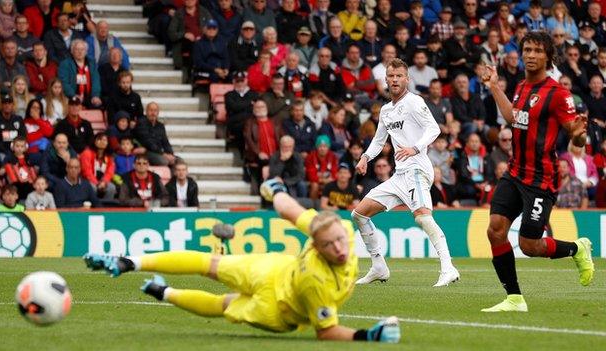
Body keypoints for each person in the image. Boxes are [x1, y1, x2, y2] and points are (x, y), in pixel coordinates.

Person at [84, 181, 400, 342]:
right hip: (277, 278)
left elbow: (325, 332)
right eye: (330, 245)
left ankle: (163, 293)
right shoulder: (317, 269)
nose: (340, 248)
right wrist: (367, 336)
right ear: (316, 247)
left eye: (340, 242)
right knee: (209, 265)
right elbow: (326, 332)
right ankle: (129, 261)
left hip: (276, 309)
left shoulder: (334, 239)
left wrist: (273, 189)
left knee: (224, 304)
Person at [480, 31, 594, 312]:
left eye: (537, 51)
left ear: (548, 56)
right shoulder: (520, 87)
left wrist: (580, 137)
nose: (530, 55)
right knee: (495, 230)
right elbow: (512, 118)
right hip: (515, 171)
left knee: (529, 245)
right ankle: (514, 299)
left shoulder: (558, 94)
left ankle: (577, 249)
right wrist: (495, 87)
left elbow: (575, 134)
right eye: (527, 49)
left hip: (541, 180)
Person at [352, 58, 460, 286]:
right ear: (386, 79)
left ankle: (448, 268)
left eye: (399, 76)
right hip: (399, 175)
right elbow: (379, 140)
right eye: (391, 76)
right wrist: (365, 157)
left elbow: (433, 128)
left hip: (417, 168)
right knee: (359, 214)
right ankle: (379, 266)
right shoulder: (386, 110)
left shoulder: (414, 102)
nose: (394, 80)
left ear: (407, 79)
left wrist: (415, 148)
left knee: (422, 217)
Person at [57, 39, 102, 109]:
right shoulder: (65, 64)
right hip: (71, 97)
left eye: (82, 49)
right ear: (72, 51)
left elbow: (96, 81)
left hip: (90, 98)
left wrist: (95, 95)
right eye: (77, 49)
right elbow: (63, 82)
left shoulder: (92, 63)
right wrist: (73, 95)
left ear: (86, 51)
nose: (80, 52)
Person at [133, 102, 175, 166]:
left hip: (158, 152)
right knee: (164, 161)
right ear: (146, 111)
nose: (153, 113)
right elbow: (148, 143)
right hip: (146, 151)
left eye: (155, 110)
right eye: (151, 110)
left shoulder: (160, 126)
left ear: (158, 113)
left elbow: (165, 142)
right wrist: (164, 154)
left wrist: (171, 154)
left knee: (178, 161)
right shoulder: (141, 123)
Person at [79, 132, 116, 202]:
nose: (102, 142)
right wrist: (97, 183)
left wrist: (104, 182)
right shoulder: (87, 153)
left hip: (102, 182)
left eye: (105, 140)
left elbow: (110, 172)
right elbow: (86, 172)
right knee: (93, 188)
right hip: (87, 180)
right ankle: (94, 206)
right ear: (95, 141)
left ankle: (106, 207)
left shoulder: (109, 156)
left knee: (112, 188)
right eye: (99, 139)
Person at [0, 93, 26, 164]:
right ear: (1, 105)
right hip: (1, 151)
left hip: (17, 150)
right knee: (6, 159)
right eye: (5, 103)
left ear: (13, 105)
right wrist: (10, 152)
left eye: (9, 103)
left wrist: (16, 151)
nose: (7, 105)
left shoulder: (18, 119)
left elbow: (23, 137)